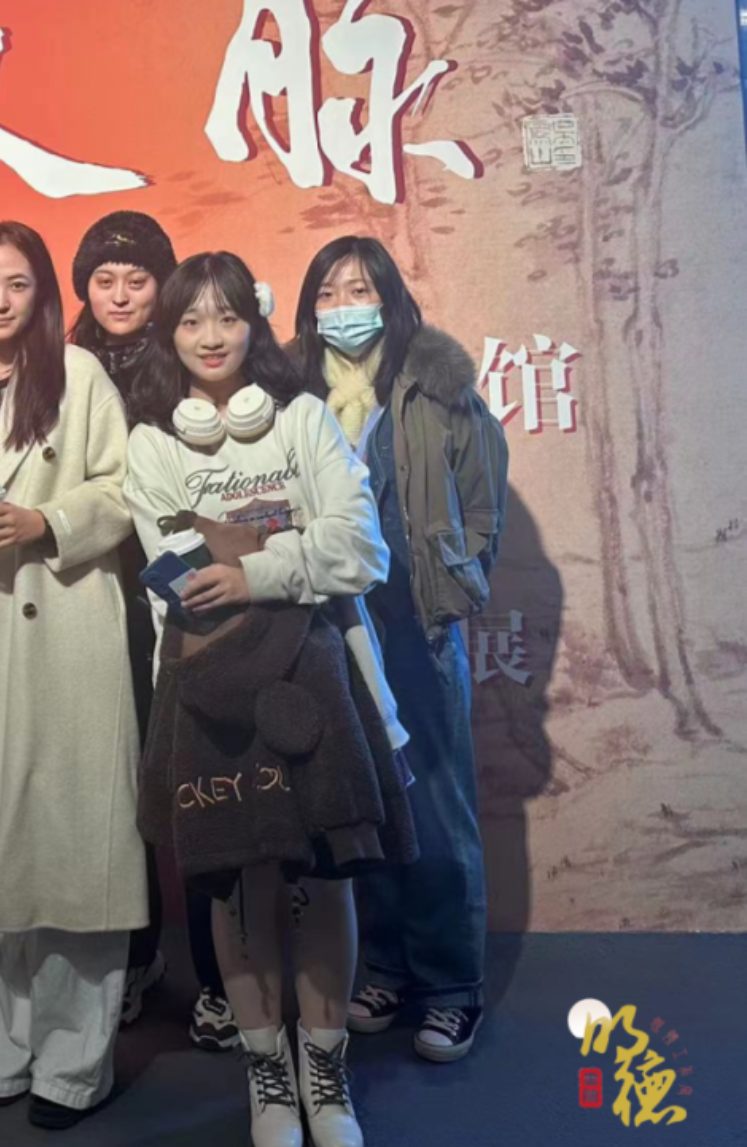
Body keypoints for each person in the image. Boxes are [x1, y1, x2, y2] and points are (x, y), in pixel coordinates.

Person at [127, 252, 416, 1147]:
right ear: (170, 336)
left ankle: (324, 1070)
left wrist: (251, 568)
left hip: (320, 676)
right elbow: (180, 581)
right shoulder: (152, 444)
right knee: (239, 885)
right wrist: (292, 549)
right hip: (211, 690)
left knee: (324, 876)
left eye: (227, 316)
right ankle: (267, 1073)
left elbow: (359, 550)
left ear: (254, 324)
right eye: (190, 321)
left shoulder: (302, 418)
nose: (210, 337)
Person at [0, 220, 147, 1131]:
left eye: (17, 283)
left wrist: (44, 523)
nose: (0, 300)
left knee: (70, 853)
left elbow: (127, 490)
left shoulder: (80, 375)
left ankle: (71, 1062)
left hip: (62, 633)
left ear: (44, 293)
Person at [290, 236, 508, 1063]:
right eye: (328, 291)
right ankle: (382, 965)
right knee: (361, 803)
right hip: (333, 629)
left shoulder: (435, 386)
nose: (344, 304)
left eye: (360, 288)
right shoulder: (294, 396)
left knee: (437, 806)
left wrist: (458, 578)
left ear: (389, 297)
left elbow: (483, 495)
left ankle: (452, 986)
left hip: (418, 626)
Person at [68, 210, 238, 1050]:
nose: (121, 294)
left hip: (187, 599)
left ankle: (221, 976)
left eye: (138, 279)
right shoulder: (59, 365)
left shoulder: (192, 360)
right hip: (92, 601)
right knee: (117, 789)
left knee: (204, 783)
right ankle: (133, 958)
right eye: (104, 279)